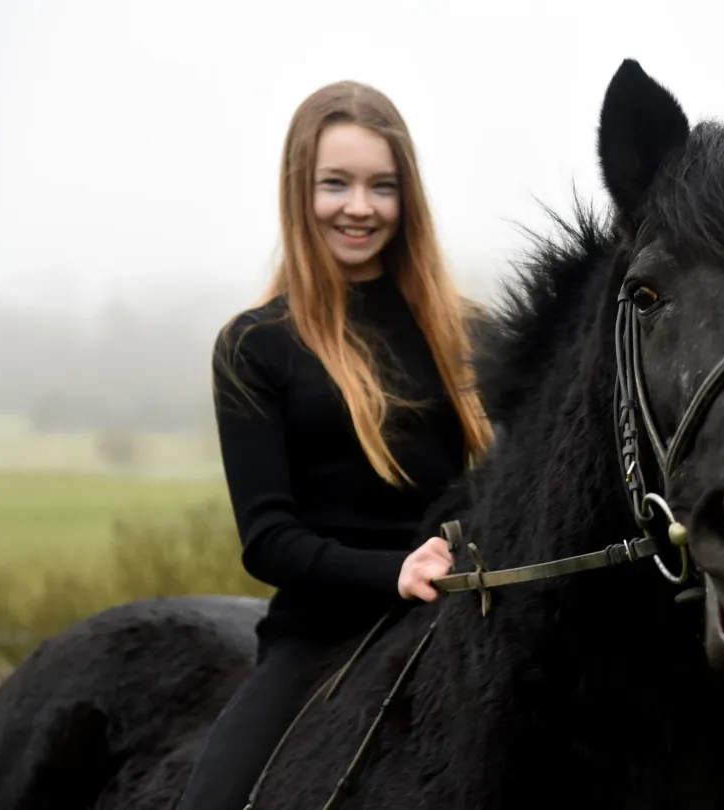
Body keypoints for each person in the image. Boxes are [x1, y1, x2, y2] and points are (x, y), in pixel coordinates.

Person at [175, 80, 494, 810]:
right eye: (336, 184)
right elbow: (268, 539)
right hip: (315, 641)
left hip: (457, 620)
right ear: (300, 193)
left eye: (382, 186)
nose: (360, 206)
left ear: (406, 197)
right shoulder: (256, 346)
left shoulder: (467, 334)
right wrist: (395, 573)